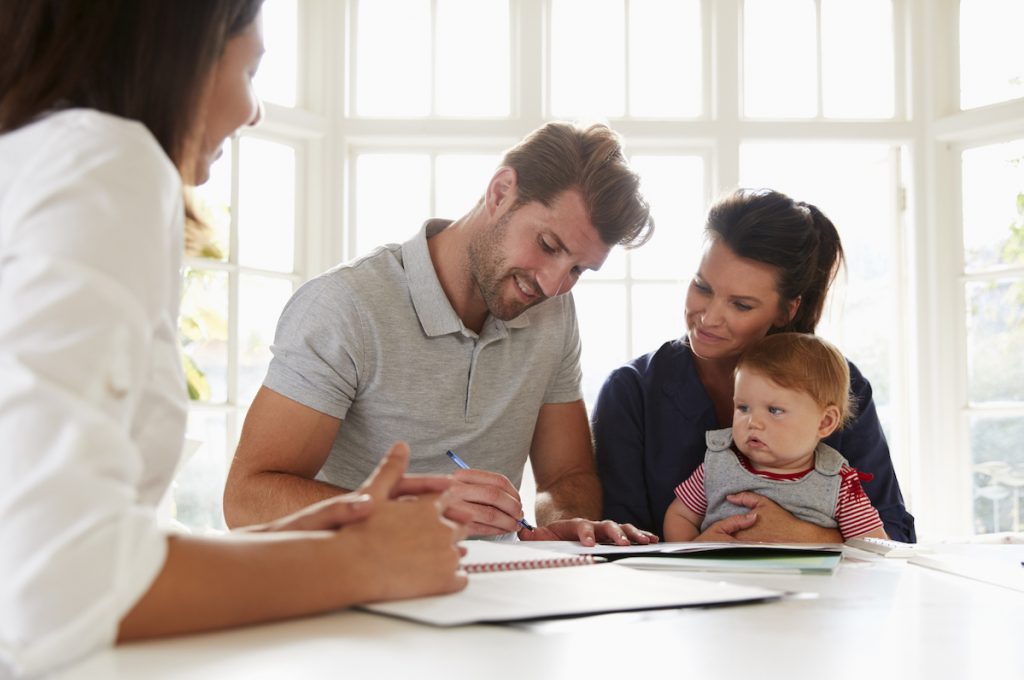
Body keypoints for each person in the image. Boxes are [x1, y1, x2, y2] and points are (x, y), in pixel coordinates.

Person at [0, 3, 466, 676]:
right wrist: (356, 563)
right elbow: (52, 583)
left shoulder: (36, 159)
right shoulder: (105, 160)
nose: (253, 112)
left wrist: (279, 547)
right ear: (177, 46)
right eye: (250, 68)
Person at [222, 121, 660, 546]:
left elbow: (566, 477)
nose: (551, 284)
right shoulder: (345, 305)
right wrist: (409, 511)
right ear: (501, 191)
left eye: (578, 269)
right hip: (349, 590)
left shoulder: (554, 313)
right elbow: (246, 499)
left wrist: (563, 525)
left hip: (488, 592)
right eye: (547, 245)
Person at [592, 188, 916, 542]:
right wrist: (696, 552)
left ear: (786, 310)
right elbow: (619, 545)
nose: (709, 318)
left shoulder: (840, 386)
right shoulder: (632, 392)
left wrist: (801, 535)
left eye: (741, 305)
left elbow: (893, 539)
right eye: (702, 287)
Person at [664, 333, 889, 542]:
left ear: (825, 422)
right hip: (723, 581)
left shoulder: (838, 482)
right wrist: (695, 549)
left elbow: (872, 546)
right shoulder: (718, 463)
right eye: (743, 407)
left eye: (774, 410)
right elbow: (680, 516)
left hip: (806, 584)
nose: (753, 422)